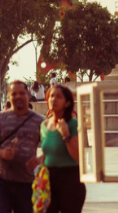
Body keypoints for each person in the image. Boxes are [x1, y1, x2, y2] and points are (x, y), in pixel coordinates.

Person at [0, 81, 44, 213]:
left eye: (22, 93)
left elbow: (50, 147)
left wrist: (39, 160)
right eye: (14, 94)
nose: (18, 96)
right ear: (8, 96)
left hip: (27, 182)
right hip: (1, 181)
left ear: (28, 95)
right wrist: (2, 153)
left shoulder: (39, 121)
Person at [41, 85, 86, 213]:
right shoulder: (44, 125)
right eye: (51, 96)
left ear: (67, 103)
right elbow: (47, 153)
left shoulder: (73, 123)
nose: (53, 99)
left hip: (70, 179)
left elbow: (78, 156)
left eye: (58, 97)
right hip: (49, 180)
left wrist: (65, 135)